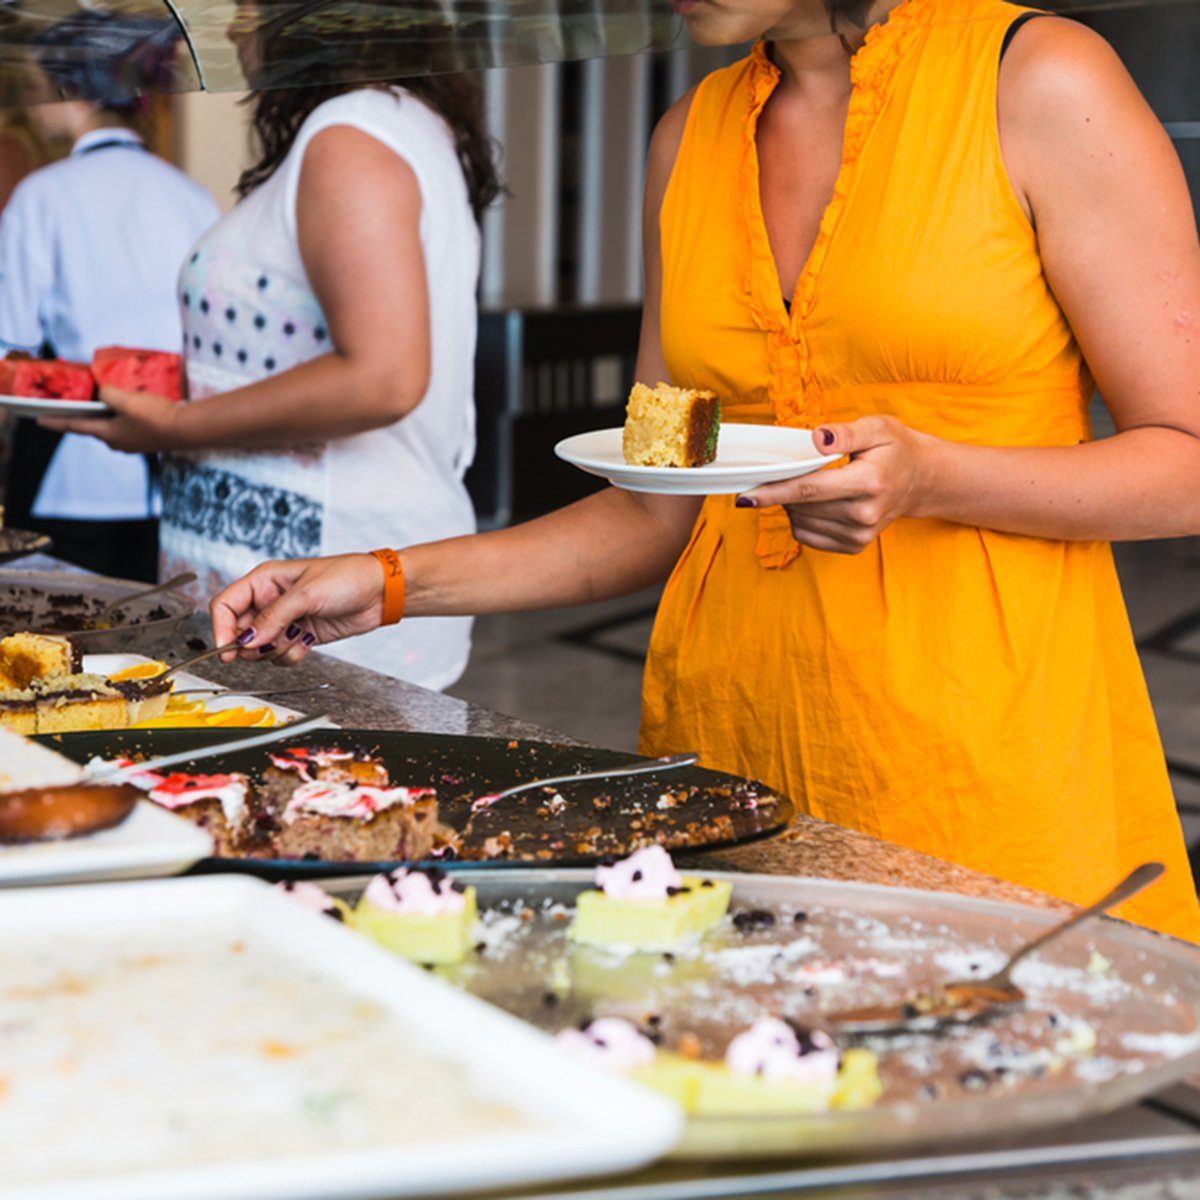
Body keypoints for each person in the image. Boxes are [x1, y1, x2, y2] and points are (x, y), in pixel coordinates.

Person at [209, 0, 1200, 941]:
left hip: (985, 758)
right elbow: (650, 511)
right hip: (732, 742)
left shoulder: (1035, 78)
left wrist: (937, 479)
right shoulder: (689, 135)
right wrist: (385, 580)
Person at [44, 1, 501, 689]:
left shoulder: (352, 135)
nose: (233, 27)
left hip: (316, 607)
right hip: (283, 605)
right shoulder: (386, 122)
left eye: (251, 5)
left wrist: (175, 425)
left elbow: (383, 377)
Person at [0, 17, 219, 580]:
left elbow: (12, 339)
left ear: (71, 91)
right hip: (170, 462)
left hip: (66, 468)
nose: (34, 108)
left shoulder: (41, 195)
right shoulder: (192, 197)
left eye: (39, 90)